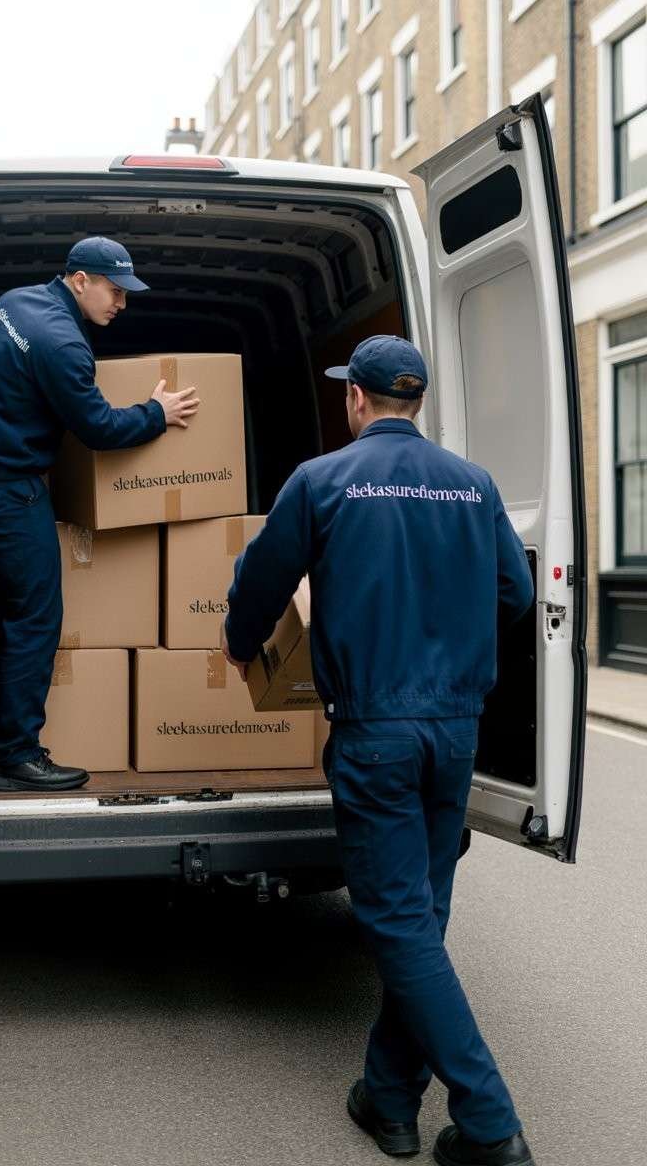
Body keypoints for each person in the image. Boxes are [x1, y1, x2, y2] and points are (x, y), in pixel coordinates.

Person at [221, 335, 536, 1166]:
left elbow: (262, 580)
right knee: (421, 917)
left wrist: (239, 643)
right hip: (455, 727)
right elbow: (516, 590)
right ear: (417, 404)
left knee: (397, 921)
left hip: (375, 729)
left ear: (356, 400)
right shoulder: (474, 484)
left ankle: (492, 1125)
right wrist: (451, 644)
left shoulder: (323, 480)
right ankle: (388, 1101)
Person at [0, 236, 199, 792]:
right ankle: (17, 755)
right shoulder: (62, 343)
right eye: (114, 290)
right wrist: (157, 413)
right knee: (36, 619)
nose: (121, 303)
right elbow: (99, 429)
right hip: (8, 493)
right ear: (79, 280)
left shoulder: (14, 302)